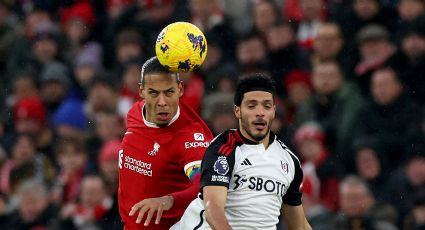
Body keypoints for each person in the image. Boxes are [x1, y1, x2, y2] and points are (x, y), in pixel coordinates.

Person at [172, 74, 311, 229]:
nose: (260, 112)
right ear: (237, 111)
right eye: (252, 106)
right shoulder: (224, 147)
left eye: (266, 106)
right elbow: (213, 208)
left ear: (273, 111)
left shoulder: (290, 161)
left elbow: (299, 226)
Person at [118, 56, 213, 229]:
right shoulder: (136, 113)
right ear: (142, 91)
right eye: (154, 93)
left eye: (169, 92)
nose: (162, 102)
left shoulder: (189, 138)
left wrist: (169, 200)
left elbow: (207, 185)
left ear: (180, 89)